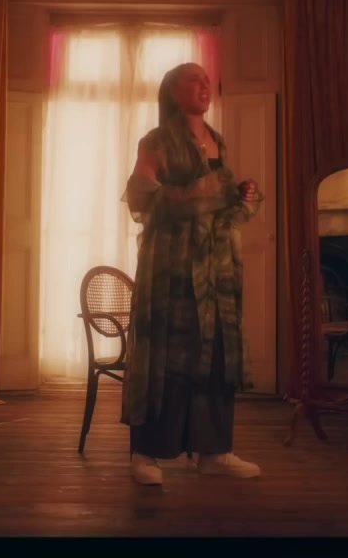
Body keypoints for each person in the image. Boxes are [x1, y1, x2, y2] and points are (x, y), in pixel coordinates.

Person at [121, 61, 263, 486]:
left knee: (216, 353)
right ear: (173, 91)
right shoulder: (157, 141)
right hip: (171, 265)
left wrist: (241, 195)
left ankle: (214, 451)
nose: (204, 85)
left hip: (218, 267)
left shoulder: (218, 140)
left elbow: (223, 204)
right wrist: (204, 193)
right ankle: (146, 453)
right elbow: (140, 196)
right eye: (193, 79)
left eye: (206, 80)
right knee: (166, 355)